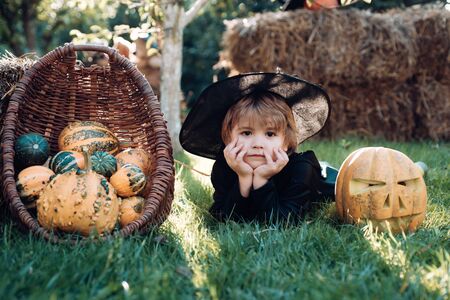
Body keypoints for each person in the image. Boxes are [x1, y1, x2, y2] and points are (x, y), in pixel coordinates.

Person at [179, 72, 336, 223]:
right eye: (246, 133)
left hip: (322, 179)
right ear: (228, 138)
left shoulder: (301, 170)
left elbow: (283, 221)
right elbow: (223, 216)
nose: (257, 144)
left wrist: (261, 179)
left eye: (270, 134)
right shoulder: (224, 167)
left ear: (286, 141)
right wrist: (244, 178)